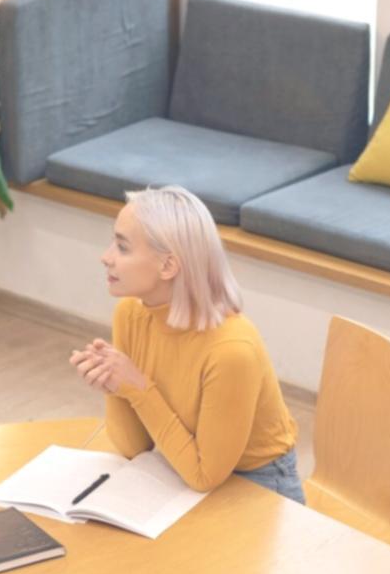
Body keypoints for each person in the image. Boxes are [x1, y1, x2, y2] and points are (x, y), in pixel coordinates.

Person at [70, 186, 305, 502]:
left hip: (257, 483)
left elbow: (204, 476)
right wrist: (116, 385)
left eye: (122, 247)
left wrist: (138, 387)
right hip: (180, 460)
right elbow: (133, 448)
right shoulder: (130, 314)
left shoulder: (231, 350)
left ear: (168, 266)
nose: (106, 257)